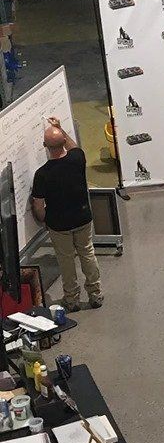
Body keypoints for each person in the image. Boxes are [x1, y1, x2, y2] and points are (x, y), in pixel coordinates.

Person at [30, 117, 102, 312]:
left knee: (66, 260)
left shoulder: (42, 174)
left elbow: (38, 204)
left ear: (45, 146)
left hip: (59, 224)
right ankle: (95, 294)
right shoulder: (77, 158)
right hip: (82, 217)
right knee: (87, 253)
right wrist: (60, 128)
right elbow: (74, 146)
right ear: (63, 142)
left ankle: (72, 300)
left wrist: (44, 219)